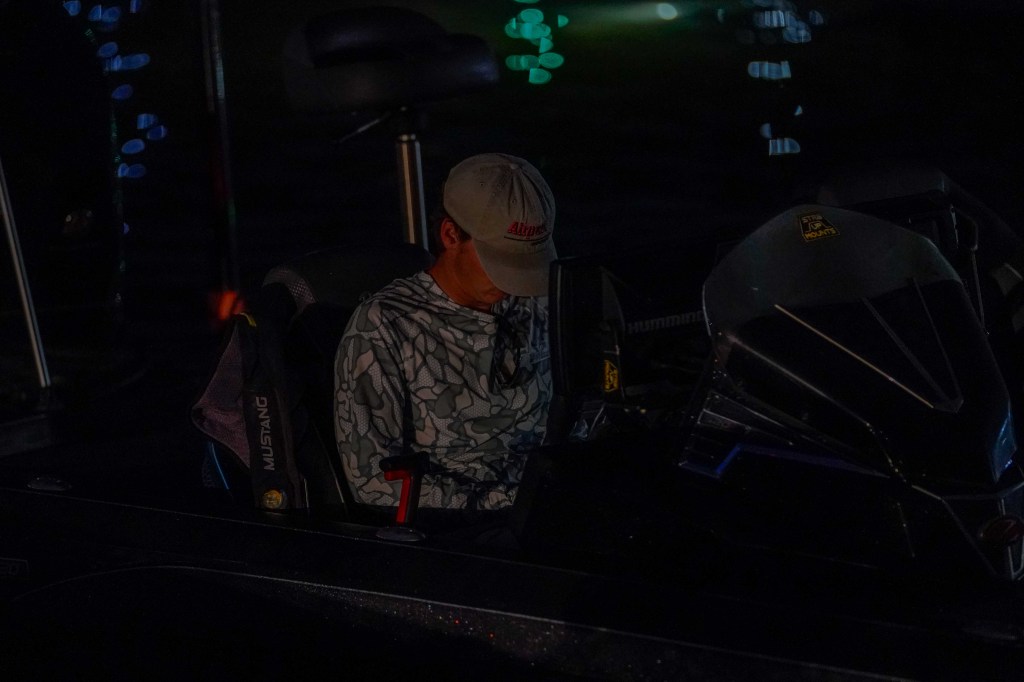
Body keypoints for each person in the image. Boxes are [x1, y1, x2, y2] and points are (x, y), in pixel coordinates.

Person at [334, 153, 556, 511]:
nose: (515, 281)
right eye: (502, 261)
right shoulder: (385, 326)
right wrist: (507, 503)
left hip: (551, 502)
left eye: (527, 263)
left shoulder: (541, 301)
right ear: (451, 235)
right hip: (462, 528)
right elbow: (373, 482)